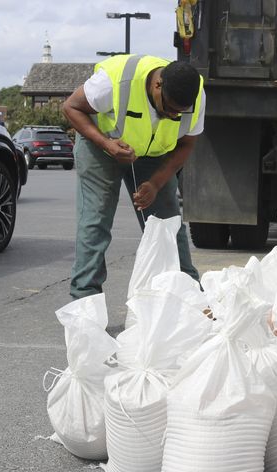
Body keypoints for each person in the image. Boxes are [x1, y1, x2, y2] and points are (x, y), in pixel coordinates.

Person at [62, 55, 205, 299]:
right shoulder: (114, 81)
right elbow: (70, 107)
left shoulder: (196, 94)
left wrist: (156, 183)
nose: (173, 115)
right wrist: (107, 144)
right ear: (157, 85)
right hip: (101, 145)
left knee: (167, 225)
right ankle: (84, 301)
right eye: (169, 108)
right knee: (96, 221)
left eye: (180, 112)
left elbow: (186, 144)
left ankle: (188, 295)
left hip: (153, 153)